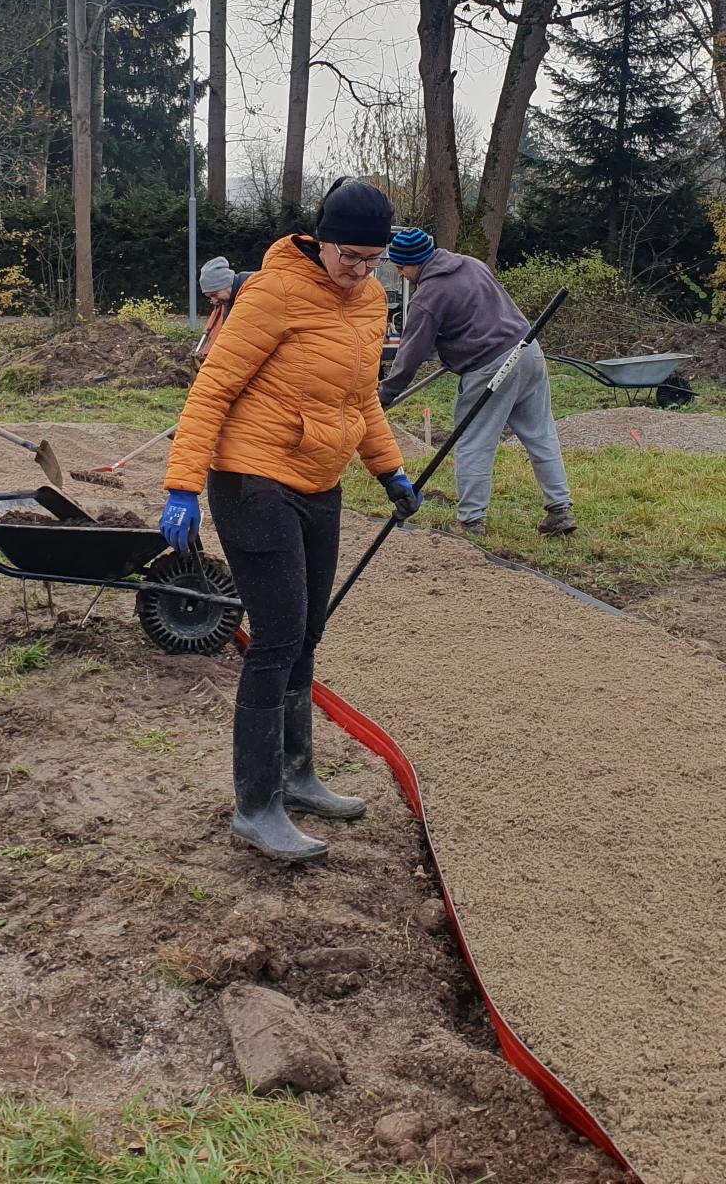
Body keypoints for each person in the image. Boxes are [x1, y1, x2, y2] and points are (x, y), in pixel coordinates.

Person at [160, 181, 419, 863]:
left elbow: (361, 396)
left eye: (375, 260)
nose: (362, 271)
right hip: (251, 476)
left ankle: (297, 774)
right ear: (320, 240)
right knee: (275, 634)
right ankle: (256, 805)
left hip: (319, 478)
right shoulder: (273, 293)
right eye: (351, 258)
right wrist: (184, 484)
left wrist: (390, 471)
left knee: (308, 629)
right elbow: (212, 386)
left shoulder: (368, 301)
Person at [376, 226, 573, 537]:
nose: (400, 271)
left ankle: (471, 522)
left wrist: (384, 396)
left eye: (401, 265)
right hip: (528, 349)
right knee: (541, 434)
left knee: (473, 443)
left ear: (415, 262)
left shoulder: (428, 296)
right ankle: (561, 509)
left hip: (490, 365)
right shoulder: (471, 264)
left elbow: (410, 355)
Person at [193, 254, 251, 365]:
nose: (214, 301)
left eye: (215, 294)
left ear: (227, 283)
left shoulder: (252, 293)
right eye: (210, 297)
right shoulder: (230, 301)